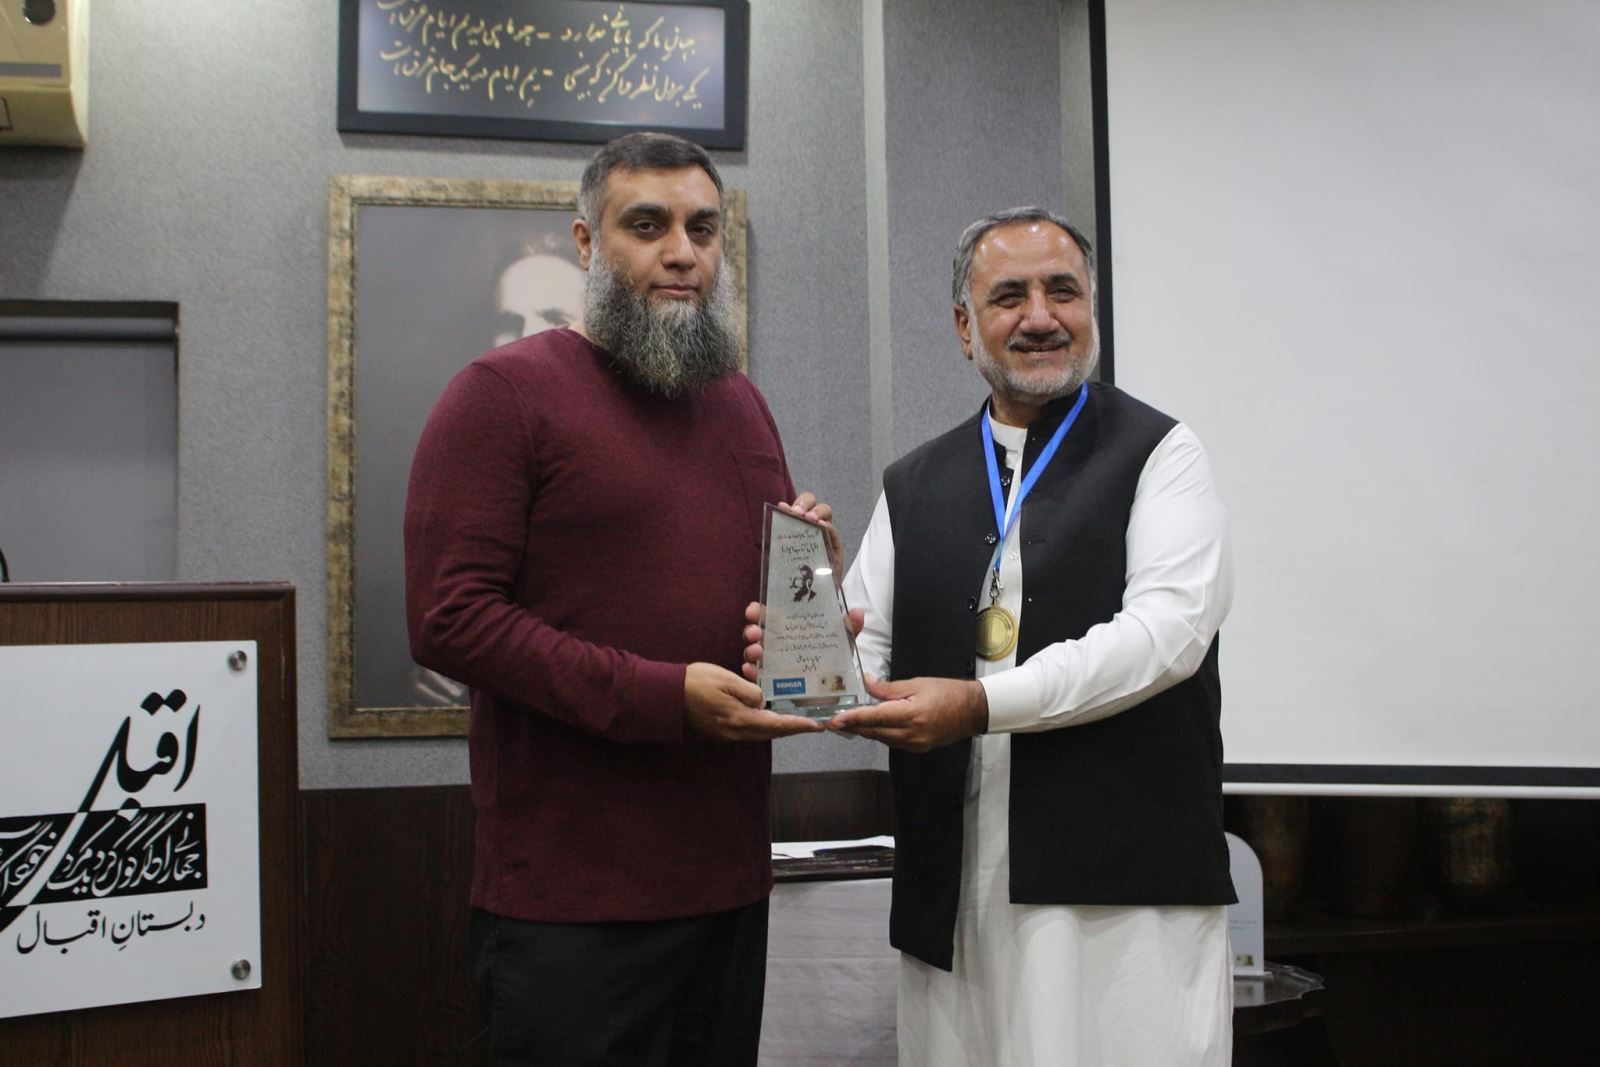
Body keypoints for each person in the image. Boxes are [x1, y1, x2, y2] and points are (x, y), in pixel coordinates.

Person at [748, 207, 1236, 1064]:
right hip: (957, 901)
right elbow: (863, 666)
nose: (1040, 316)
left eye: (1063, 291)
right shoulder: (915, 482)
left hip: (1121, 902)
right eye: (1010, 296)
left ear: (1092, 308)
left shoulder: (1163, 453)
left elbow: (1164, 639)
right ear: (964, 325)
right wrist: (810, 630)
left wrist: (979, 705)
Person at [405, 132, 831, 1066]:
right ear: (587, 243)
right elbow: (449, 617)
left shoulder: (740, 401)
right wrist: (661, 696)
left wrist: (809, 607)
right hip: (572, 906)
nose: (682, 252)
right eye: (647, 225)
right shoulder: (500, 395)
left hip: (727, 887)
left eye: (702, 229)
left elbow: (750, 607)